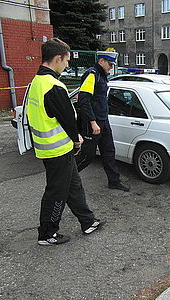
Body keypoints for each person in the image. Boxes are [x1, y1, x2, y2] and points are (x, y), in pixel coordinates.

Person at [26, 38, 105, 246]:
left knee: (73, 186)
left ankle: (88, 222)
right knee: (56, 192)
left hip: (53, 148)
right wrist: (77, 139)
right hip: (57, 150)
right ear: (58, 58)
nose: (67, 65)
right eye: (66, 61)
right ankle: (47, 233)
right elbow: (68, 120)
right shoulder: (53, 85)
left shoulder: (37, 82)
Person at [76, 51, 130, 191]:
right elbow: (84, 100)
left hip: (103, 120)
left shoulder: (101, 76)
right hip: (92, 122)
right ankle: (67, 178)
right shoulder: (92, 74)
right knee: (87, 155)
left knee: (109, 151)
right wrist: (93, 122)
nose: (111, 67)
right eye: (110, 64)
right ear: (101, 61)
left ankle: (114, 181)